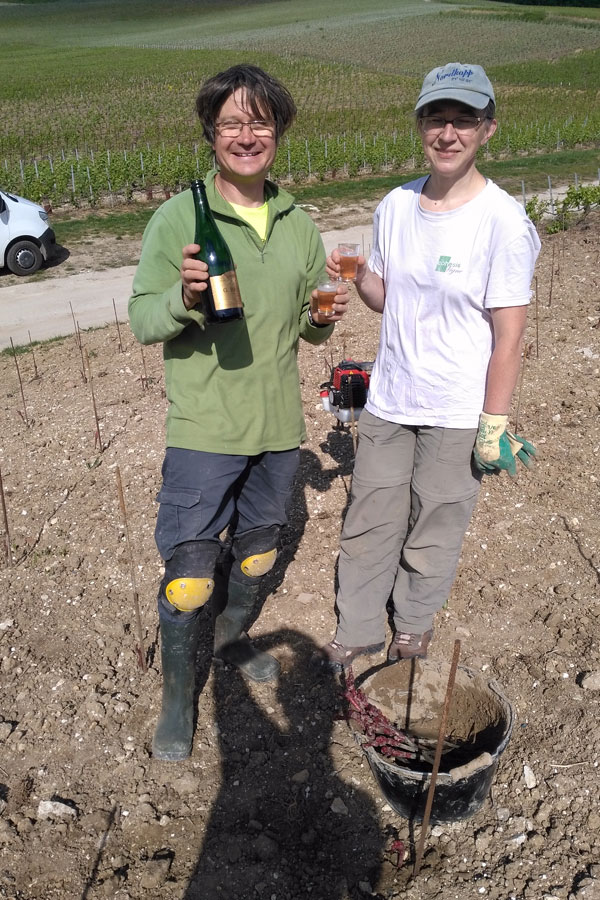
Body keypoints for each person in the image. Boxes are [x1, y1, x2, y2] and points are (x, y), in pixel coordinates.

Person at [129, 64, 347, 761]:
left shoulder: (297, 223)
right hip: (206, 428)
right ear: (211, 134)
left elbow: (306, 332)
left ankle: (226, 647)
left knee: (255, 558)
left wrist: (324, 316)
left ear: (278, 133)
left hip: (279, 428)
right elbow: (141, 318)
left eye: (260, 122)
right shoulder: (182, 218)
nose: (246, 135)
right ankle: (176, 698)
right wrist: (183, 301)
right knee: (191, 579)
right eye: (232, 122)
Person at [320, 62, 540, 670]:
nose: (447, 132)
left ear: (487, 130)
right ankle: (361, 626)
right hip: (390, 396)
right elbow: (390, 299)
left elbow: (508, 337)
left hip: (454, 407)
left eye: (463, 120)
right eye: (435, 119)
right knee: (371, 515)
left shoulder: (502, 223)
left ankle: (412, 625)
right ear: (420, 126)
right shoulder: (395, 205)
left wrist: (493, 422)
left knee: (435, 523)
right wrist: (361, 275)